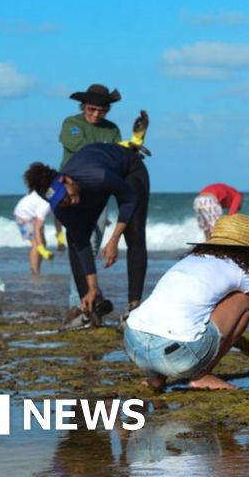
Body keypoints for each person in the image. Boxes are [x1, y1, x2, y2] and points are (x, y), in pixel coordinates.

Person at [123, 214, 249, 390]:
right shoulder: (243, 271)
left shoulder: (191, 259)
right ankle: (201, 375)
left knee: (179, 315)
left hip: (133, 344)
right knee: (245, 298)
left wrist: (245, 344)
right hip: (177, 355)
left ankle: (156, 379)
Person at [24, 142, 150, 328]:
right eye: (61, 202)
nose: (69, 202)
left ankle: (134, 307)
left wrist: (113, 240)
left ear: (66, 180)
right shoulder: (63, 207)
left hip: (128, 169)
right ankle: (91, 304)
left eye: (66, 196)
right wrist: (92, 286)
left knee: (134, 233)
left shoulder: (97, 175)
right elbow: (82, 242)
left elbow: (129, 198)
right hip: (92, 189)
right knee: (74, 239)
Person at [57, 84, 123, 309]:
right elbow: (83, 149)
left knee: (93, 245)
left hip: (100, 192)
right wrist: (107, 149)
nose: (95, 115)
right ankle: (80, 300)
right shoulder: (72, 124)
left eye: (101, 111)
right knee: (80, 243)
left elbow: (118, 156)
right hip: (70, 192)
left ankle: (89, 296)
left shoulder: (112, 129)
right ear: (84, 106)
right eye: (91, 110)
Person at [13, 190, 54, 275]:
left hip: (33, 214)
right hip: (23, 215)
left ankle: (37, 269)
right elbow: (38, 228)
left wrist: (60, 238)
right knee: (36, 245)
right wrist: (41, 249)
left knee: (43, 243)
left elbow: (58, 220)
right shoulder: (46, 205)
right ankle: (35, 272)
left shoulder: (54, 198)